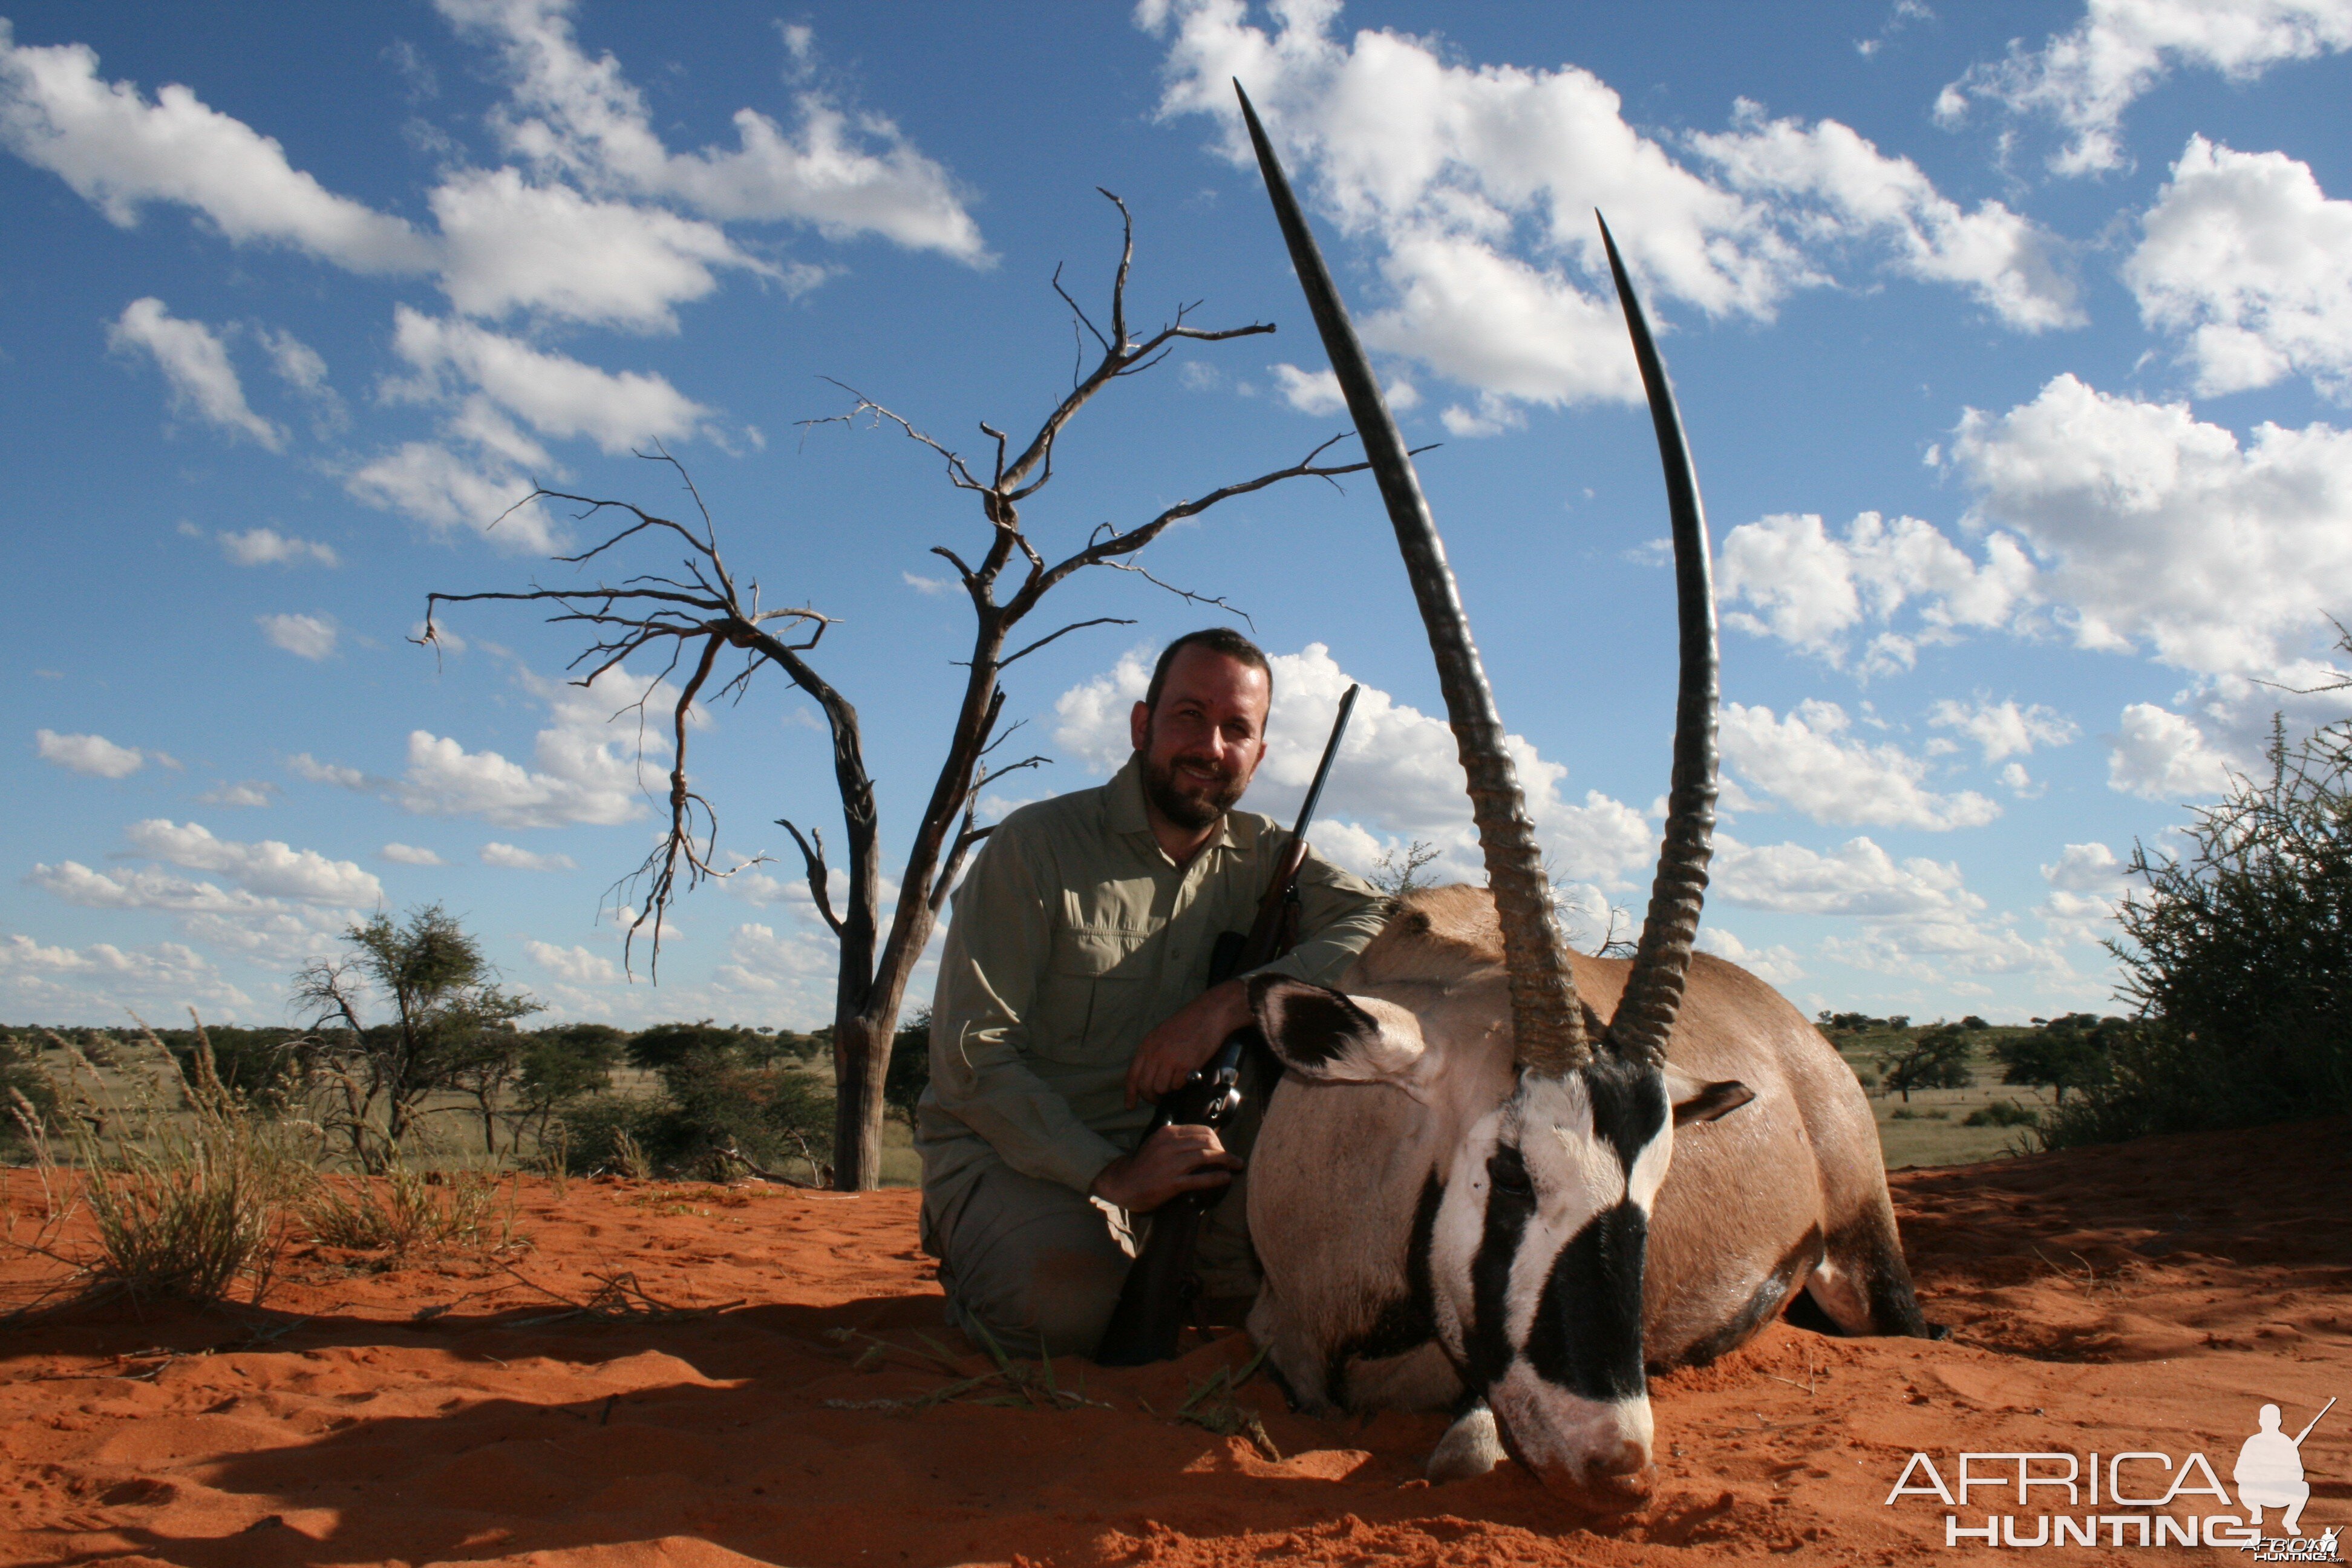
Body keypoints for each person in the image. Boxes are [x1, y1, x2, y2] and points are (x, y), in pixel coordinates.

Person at [915, 628, 1388, 1357]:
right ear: (1143, 726)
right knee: (1071, 1313)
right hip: (1020, 1154)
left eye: (1238, 729)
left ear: (1258, 756)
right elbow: (971, 1060)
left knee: (1290, 1306)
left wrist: (1232, 1003)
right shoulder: (1035, 845)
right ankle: (983, 1251)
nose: (1211, 746)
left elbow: (1379, 922)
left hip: (1189, 1155)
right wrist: (1113, 1175)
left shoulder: (1269, 855)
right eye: (1189, 717)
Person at [2234, 1402, 2314, 1536]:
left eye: (2271, 1420)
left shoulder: (2286, 1443)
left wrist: (2280, 1475)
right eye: (2266, 1420)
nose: (2269, 1423)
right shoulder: (2252, 1442)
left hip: (2280, 1493)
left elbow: (2299, 1473)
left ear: (2279, 1422)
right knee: (2243, 1486)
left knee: (2303, 1487)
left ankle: (2290, 1521)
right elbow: (2239, 1472)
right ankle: (2256, 1511)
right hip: (2257, 1492)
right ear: (2260, 1422)